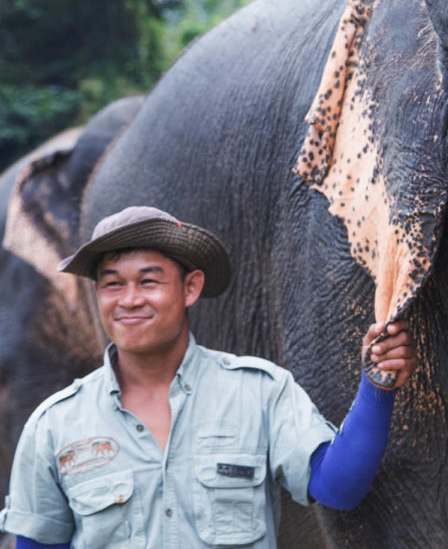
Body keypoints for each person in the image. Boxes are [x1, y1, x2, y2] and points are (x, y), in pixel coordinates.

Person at [0, 206, 417, 549]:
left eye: (149, 281)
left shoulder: (259, 392)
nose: (129, 300)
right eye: (112, 285)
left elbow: (338, 486)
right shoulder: (54, 425)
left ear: (191, 288)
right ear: (97, 295)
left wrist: (377, 386)